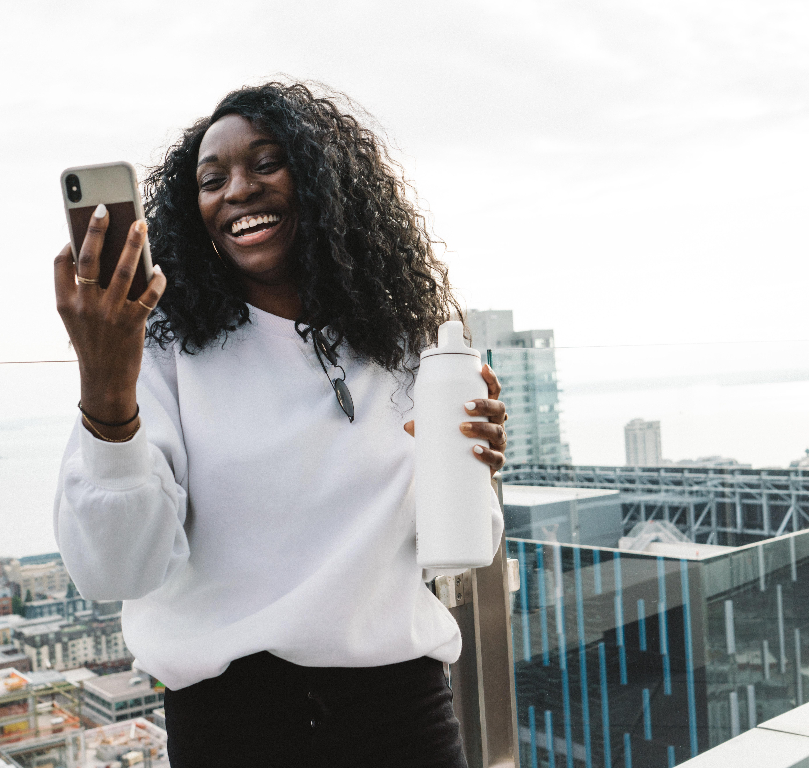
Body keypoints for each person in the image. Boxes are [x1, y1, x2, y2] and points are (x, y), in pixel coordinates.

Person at [52, 81, 508, 767]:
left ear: (324, 183)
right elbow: (115, 569)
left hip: (401, 713)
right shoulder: (163, 347)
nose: (237, 189)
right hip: (234, 730)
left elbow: (457, 549)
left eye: (267, 163)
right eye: (213, 179)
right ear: (194, 209)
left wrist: (472, 472)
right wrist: (105, 382)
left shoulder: (408, 341)